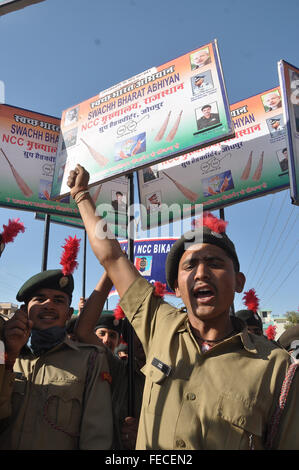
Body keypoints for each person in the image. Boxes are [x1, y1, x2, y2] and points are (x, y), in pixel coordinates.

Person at [67, 164, 299, 450]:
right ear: (176, 288)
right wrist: (81, 196)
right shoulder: (159, 324)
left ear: (239, 282)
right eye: (190, 266)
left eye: (214, 263)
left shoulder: (278, 367)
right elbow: (112, 258)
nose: (201, 273)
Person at [0, 267, 113, 450]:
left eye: (58, 300)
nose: (49, 305)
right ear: (23, 310)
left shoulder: (90, 360)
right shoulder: (5, 352)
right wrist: (9, 356)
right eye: (39, 299)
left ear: (69, 314)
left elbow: (96, 436)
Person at [74, 271, 145, 450]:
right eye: (136, 332)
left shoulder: (175, 375)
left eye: (151, 330)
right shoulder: (121, 370)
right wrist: (110, 270)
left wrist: (145, 434)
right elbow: (83, 331)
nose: (143, 338)